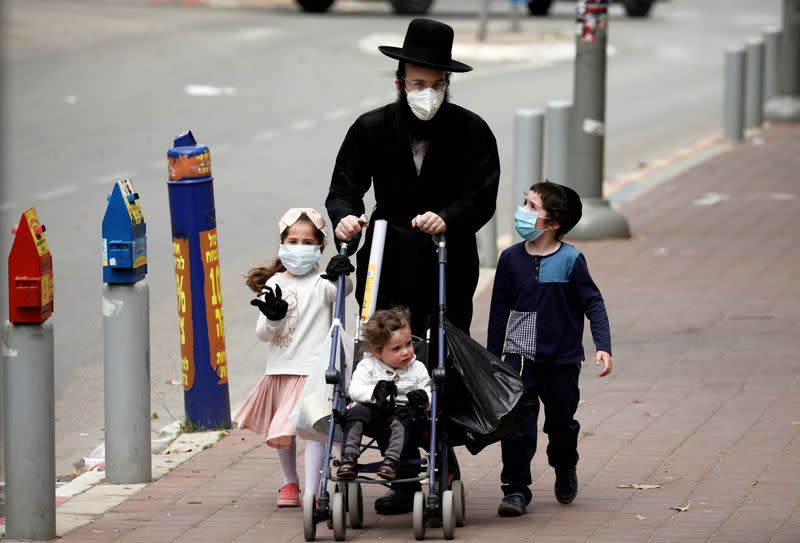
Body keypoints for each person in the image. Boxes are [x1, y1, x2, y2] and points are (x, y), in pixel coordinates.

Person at [326, 17, 500, 339]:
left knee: (444, 351)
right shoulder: (371, 127)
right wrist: (345, 218)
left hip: (449, 255)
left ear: (447, 84)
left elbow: (482, 195)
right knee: (382, 346)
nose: (429, 94)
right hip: (386, 252)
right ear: (400, 84)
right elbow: (344, 188)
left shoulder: (472, 130)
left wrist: (447, 217)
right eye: (419, 84)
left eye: (437, 85)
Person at [487, 181, 613, 517]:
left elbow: (593, 303)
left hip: (562, 360)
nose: (522, 212)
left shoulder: (571, 259)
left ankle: (564, 465)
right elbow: (499, 310)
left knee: (560, 425)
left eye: (531, 207)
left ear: (553, 222)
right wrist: (491, 358)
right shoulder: (510, 259)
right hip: (519, 359)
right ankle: (514, 489)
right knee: (516, 428)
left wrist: (603, 345)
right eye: (524, 203)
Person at [235, 207, 354, 507]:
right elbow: (262, 332)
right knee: (283, 432)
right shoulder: (274, 285)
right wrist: (273, 317)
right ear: (281, 243)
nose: (298, 248)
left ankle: (314, 490)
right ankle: (290, 482)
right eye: (292, 241)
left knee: (312, 431)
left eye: (307, 243)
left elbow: (344, 291)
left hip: (314, 372)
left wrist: (343, 269)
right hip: (281, 370)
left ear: (320, 248)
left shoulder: (321, 283)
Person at [336, 307, 432, 482]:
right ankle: (349, 457)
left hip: (405, 420)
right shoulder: (368, 366)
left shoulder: (417, 368)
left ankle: (391, 460)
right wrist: (374, 394)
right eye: (397, 348)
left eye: (409, 344)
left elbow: (427, 391)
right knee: (356, 412)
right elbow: (354, 389)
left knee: (404, 414)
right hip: (376, 418)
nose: (406, 352)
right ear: (377, 352)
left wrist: (424, 400)